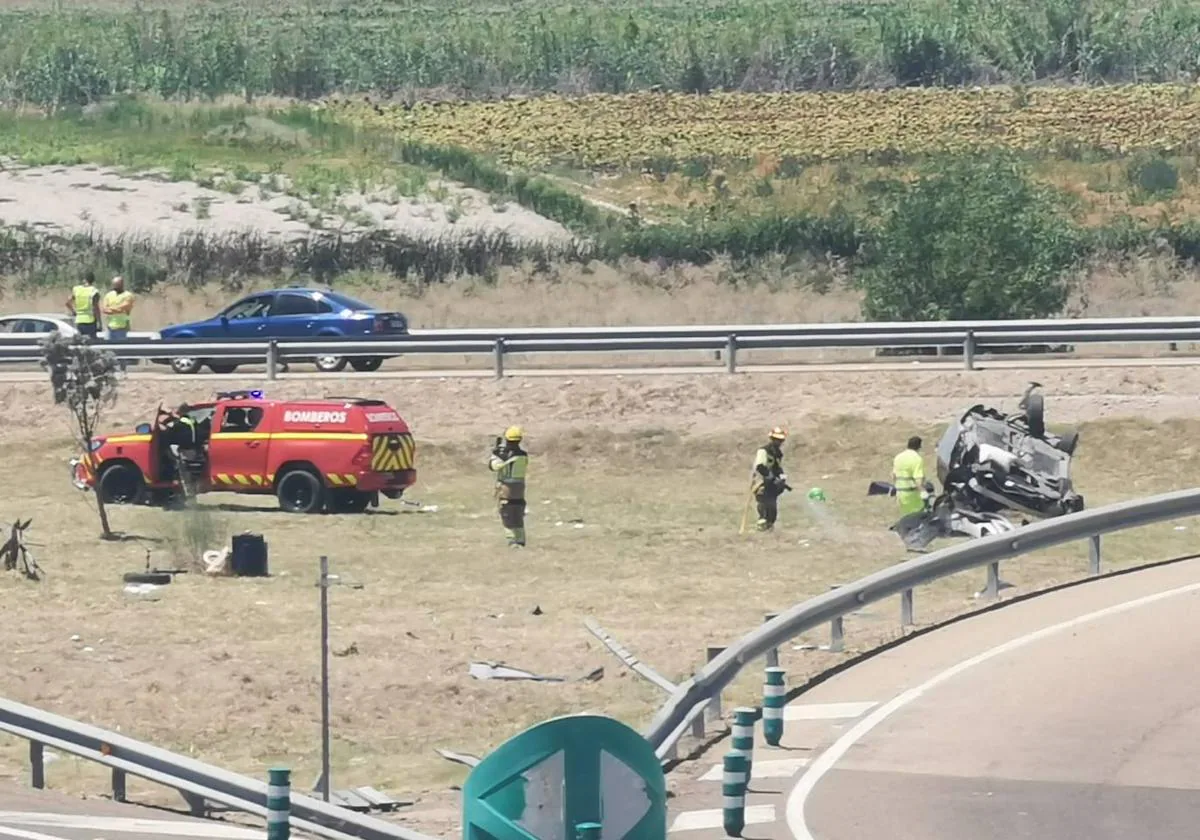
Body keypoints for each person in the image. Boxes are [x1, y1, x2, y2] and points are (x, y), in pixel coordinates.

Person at [489, 426, 528, 547]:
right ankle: (521, 541)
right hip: (520, 492)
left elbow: (493, 466)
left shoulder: (507, 456)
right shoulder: (523, 455)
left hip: (507, 492)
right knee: (518, 519)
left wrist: (496, 455)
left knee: (508, 518)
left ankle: (512, 542)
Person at [751, 427, 791, 531]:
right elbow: (760, 467)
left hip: (772, 485)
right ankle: (762, 525)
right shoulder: (763, 451)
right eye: (776, 439)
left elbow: (778, 468)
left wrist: (782, 479)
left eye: (780, 440)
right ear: (772, 439)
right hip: (761, 482)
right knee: (764, 503)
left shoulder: (778, 453)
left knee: (772, 507)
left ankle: (769, 526)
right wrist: (772, 478)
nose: (778, 442)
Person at [101, 275, 134, 371]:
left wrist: (113, 309)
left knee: (122, 351)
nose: (115, 286)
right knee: (108, 351)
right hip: (110, 326)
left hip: (122, 326)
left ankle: (123, 370)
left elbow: (125, 307)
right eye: (114, 284)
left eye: (117, 285)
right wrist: (117, 309)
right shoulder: (109, 295)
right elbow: (104, 309)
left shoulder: (128, 295)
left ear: (122, 284)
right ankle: (109, 371)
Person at [892, 436, 930, 516]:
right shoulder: (917, 459)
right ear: (919, 446)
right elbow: (918, 482)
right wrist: (924, 493)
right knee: (917, 518)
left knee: (906, 517)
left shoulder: (898, 457)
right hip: (912, 495)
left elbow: (893, 476)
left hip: (900, 494)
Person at [66, 271, 102, 339]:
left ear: (84, 280)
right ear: (93, 280)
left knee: (81, 341)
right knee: (91, 342)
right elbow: (96, 308)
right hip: (90, 321)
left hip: (79, 320)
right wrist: (99, 322)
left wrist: (74, 312)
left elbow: (67, 303)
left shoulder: (76, 289)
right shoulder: (94, 291)